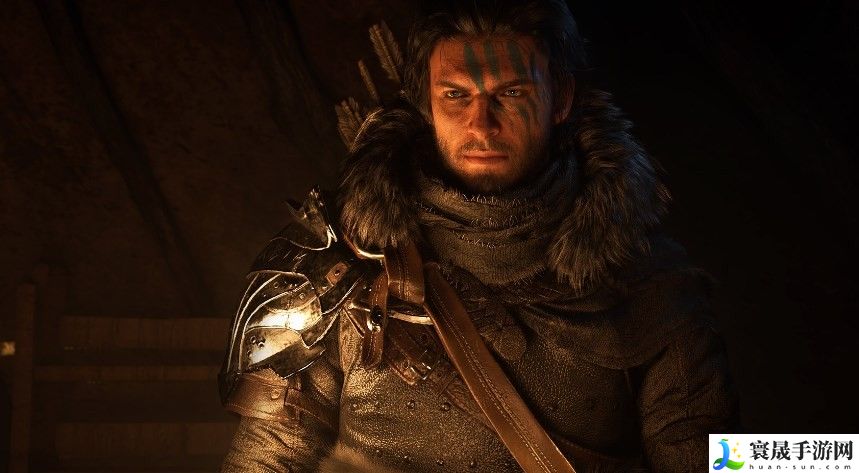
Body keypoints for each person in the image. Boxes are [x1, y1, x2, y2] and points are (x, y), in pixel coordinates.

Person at [218, 0, 738, 471]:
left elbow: (709, 458)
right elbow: (269, 456)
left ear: (560, 98)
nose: (481, 125)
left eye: (511, 93)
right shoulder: (339, 264)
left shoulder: (649, 285)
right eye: (456, 95)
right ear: (426, 103)